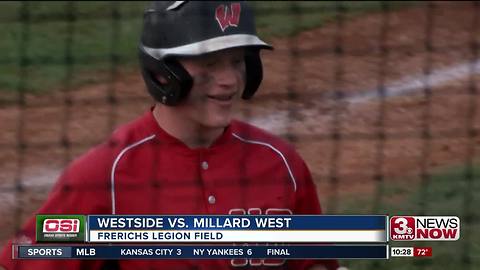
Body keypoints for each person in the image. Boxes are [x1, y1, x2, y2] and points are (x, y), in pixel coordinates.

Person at [0, 1, 339, 270]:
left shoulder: (280, 162)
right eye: (209, 64)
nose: (229, 80)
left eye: (237, 61)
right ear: (163, 72)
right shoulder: (106, 176)